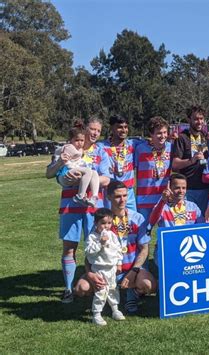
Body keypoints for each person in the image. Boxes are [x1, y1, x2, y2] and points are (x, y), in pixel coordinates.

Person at [46, 117, 111, 303]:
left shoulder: (101, 153)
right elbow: (49, 174)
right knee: (69, 248)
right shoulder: (67, 148)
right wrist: (64, 171)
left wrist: (91, 178)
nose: (95, 133)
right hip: (69, 206)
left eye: (98, 130)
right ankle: (68, 289)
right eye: (92, 129)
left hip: (93, 207)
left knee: (96, 248)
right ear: (85, 130)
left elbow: (107, 179)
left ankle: (99, 287)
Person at [75, 180, 157, 314]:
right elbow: (89, 253)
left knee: (149, 286)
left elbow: (144, 249)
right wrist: (90, 273)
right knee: (81, 288)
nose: (122, 200)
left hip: (131, 269)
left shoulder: (137, 218)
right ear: (108, 197)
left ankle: (133, 293)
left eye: (125, 195)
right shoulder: (102, 221)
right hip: (105, 268)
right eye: (118, 196)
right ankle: (103, 295)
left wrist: (134, 271)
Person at [85, 208, 125, 326]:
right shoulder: (92, 237)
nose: (106, 226)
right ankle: (96, 314)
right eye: (103, 223)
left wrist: (119, 263)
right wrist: (100, 243)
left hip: (111, 268)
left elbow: (118, 249)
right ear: (96, 223)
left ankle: (115, 309)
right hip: (99, 268)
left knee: (113, 289)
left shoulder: (112, 235)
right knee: (101, 290)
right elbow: (89, 252)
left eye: (109, 223)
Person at [172, 105, 209, 213]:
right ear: (189, 119)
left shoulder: (205, 136)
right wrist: (191, 160)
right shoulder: (182, 138)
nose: (199, 122)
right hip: (188, 188)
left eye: (201, 119)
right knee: (186, 220)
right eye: (196, 119)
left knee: (202, 221)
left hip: (205, 187)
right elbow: (175, 164)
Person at [134, 116, 172, 223]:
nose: (163, 136)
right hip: (145, 198)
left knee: (166, 233)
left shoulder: (171, 148)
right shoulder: (140, 149)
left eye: (165, 132)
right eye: (159, 133)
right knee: (143, 234)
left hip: (164, 199)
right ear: (151, 134)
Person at [100, 115, 141, 211]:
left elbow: (153, 142)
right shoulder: (101, 147)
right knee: (111, 222)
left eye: (126, 127)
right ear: (111, 128)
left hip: (128, 192)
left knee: (131, 222)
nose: (123, 130)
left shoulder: (133, 144)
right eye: (119, 127)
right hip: (110, 192)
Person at [56, 121, 100, 207]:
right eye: (77, 140)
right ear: (70, 140)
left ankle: (94, 197)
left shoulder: (79, 149)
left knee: (94, 172)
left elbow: (79, 160)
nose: (80, 143)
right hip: (65, 173)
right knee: (88, 171)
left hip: (73, 170)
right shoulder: (69, 147)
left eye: (82, 140)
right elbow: (69, 159)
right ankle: (80, 195)